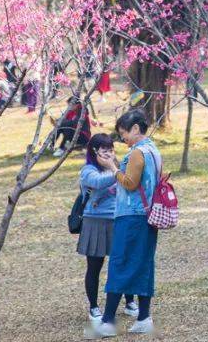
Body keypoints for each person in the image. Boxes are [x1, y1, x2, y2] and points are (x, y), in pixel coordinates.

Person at [85, 109, 163, 338]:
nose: (123, 139)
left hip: (131, 217)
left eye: (124, 133)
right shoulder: (153, 150)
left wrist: (112, 168)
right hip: (147, 217)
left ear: (136, 129)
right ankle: (144, 318)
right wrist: (117, 166)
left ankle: (108, 322)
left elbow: (129, 183)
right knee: (143, 264)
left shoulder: (138, 152)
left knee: (119, 263)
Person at [77, 134, 136, 324]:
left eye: (111, 150)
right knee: (94, 267)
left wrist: (118, 169)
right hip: (94, 222)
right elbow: (99, 182)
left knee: (123, 263)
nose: (109, 154)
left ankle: (129, 301)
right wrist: (116, 169)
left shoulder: (117, 167)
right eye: (104, 150)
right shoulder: (88, 171)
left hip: (117, 220)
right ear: (94, 152)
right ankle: (94, 307)